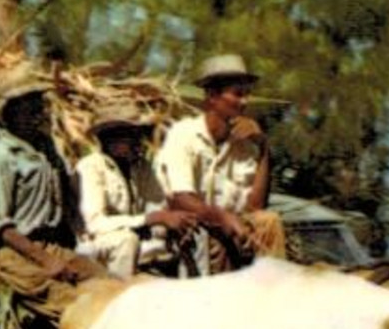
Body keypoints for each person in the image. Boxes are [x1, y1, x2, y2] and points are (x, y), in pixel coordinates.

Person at [0, 61, 107, 318]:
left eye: (38, 104)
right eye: (26, 107)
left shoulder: (47, 149)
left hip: (53, 245)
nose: (37, 113)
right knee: (80, 307)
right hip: (15, 253)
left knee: (111, 288)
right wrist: (46, 261)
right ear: (8, 113)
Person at [148, 53, 286, 274]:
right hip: (189, 227)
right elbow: (182, 199)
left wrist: (263, 149)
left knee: (268, 221)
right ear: (212, 96)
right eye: (238, 94)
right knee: (217, 236)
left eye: (247, 95)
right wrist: (224, 218)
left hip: (230, 227)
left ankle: (273, 293)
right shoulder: (184, 135)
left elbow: (255, 207)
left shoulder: (245, 144)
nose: (245, 102)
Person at [73, 104, 198, 278]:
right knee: (126, 240)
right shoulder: (91, 167)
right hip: (98, 243)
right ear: (109, 139)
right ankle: (118, 294)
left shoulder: (142, 167)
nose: (136, 140)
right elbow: (95, 224)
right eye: (128, 135)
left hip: (138, 236)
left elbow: (156, 206)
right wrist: (148, 220)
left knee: (183, 236)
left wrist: (171, 224)